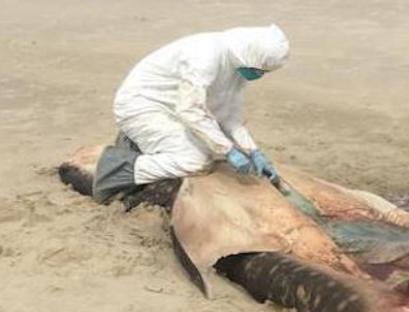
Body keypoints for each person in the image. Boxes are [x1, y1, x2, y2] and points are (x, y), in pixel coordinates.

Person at [92, 25, 290, 204]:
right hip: (143, 105)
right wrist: (228, 150)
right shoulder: (206, 56)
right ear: (251, 56)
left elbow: (229, 116)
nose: (260, 75)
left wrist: (253, 151)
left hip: (176, 108)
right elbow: (190, 110)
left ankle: (145, 143)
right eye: (259, 70)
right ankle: (115, 168)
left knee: (211, 147)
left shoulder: (239, 66)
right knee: (196, 161)